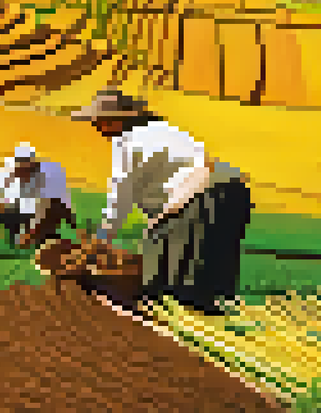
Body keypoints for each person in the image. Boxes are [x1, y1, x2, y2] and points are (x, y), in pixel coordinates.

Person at [75, 88, 250, 315]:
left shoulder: (127, 141)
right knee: (212, 266)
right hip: (233, 189)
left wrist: (102, 236)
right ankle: (216, 314)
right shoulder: (160, 130)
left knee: (168, 272)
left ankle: (184, 317)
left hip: (202, 195)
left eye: (99, 122)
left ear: (115, 120)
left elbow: (121, 194)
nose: (96, 128)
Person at [0, 142, 75, 249]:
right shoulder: (16, 176)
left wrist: (29, 234)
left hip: (53, 209)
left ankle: (46, 236)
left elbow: (45, 209)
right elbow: (6, 200)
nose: (18, 175)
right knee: (8, 213)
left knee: (50, 213)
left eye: (22, 171)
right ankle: (22, 235)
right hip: (31, 209)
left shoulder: (47, 177)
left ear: (31, 167)